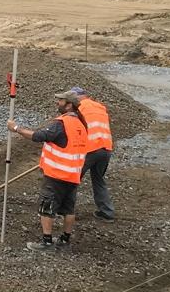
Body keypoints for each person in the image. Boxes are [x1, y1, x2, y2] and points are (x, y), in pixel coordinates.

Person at [7, 92, 88, 253]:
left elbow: (39, 136)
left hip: (57, 175)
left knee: (47, 207)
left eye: (61, 100)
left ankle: (47, 242)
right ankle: (65, 240)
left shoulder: (61, 124)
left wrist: (16, 128)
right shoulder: (81, 124)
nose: (57, 102)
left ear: (69, 105)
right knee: (68, 209)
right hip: (73, 174)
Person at [69, 85, 115, 221]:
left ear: (76, 97)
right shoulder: (100, 107)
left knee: (72, 180)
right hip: (106, 148)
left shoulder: (79, 108)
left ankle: (66, 210)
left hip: (89, 149)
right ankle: (107, 212)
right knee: (99, 179)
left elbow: (75, 129)